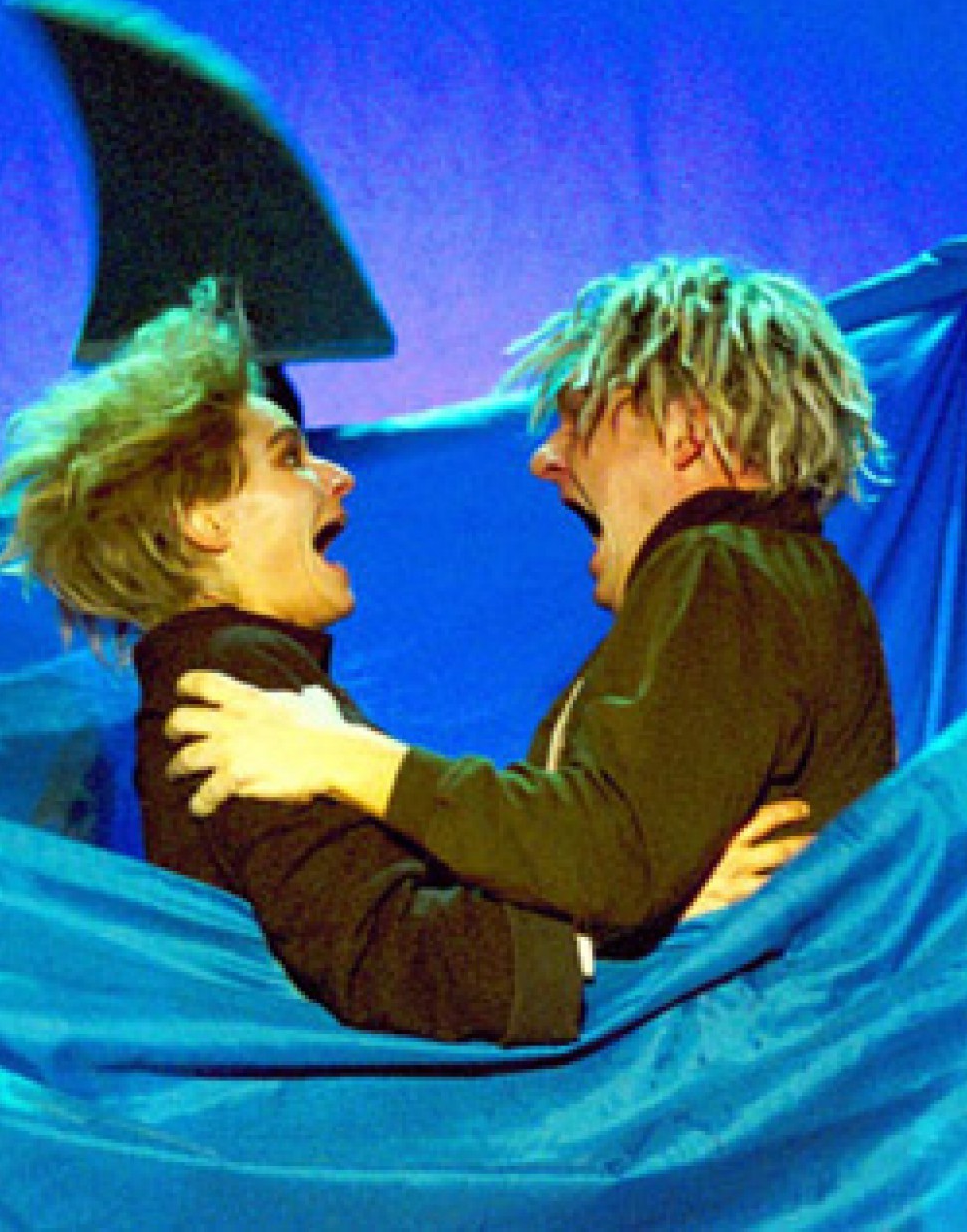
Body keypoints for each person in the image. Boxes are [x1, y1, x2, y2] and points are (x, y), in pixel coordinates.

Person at [0, 279, 802, 1046]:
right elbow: (373, 950)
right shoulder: (236, 686)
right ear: (203, 518)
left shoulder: (224, 675)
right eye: (289, 458)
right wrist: (647, 920)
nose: (337, 477)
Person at [169, 256, 898, 958]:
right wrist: (653, 917)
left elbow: (611, 860)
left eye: (579, 420)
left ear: (687, 431)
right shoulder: (757, 576)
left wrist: (343, 757)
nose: (546, 457)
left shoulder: (726, 566)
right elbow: (610, 869)